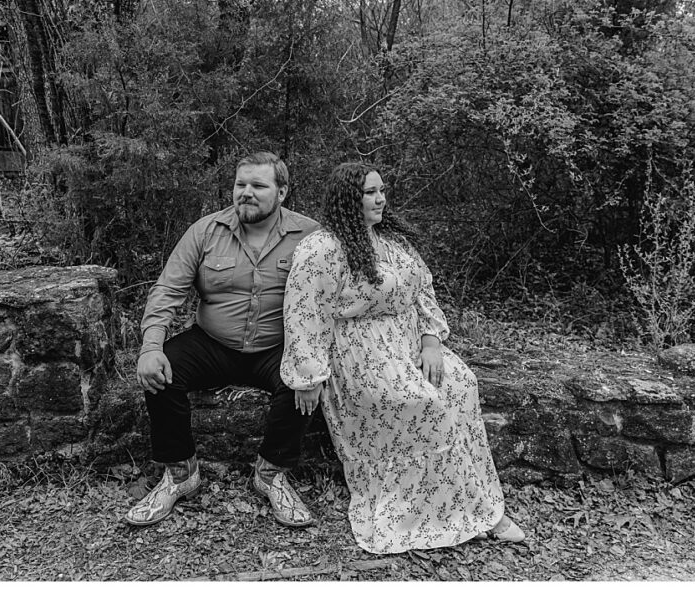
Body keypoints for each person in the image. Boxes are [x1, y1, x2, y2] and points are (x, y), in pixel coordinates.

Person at [279, 162, 525, 554]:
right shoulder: (321, 249)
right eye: (370, 193)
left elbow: (423, 290)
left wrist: (431, 341)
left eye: (382, 190)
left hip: (408, 343)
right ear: (348, 199)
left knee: (461, 386)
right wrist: (308, 378)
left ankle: (469, 502)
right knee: (421, 403)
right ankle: (460, 514)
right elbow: (304, 312)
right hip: (361, 354)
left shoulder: (392, 241)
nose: (381, 199)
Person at [126, 152, 320, 528]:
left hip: (276, 345)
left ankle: (271, 475)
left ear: (281, 192)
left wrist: (312, 364)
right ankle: (181, 474)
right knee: (162, 371)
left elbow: (332, 298)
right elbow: (167, 290)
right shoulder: (205, 231)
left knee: (302, 381)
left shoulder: (310, 236)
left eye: (258, 186)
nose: (246, 193)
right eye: (240, 184)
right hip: (212, 343)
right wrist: (150, 347)